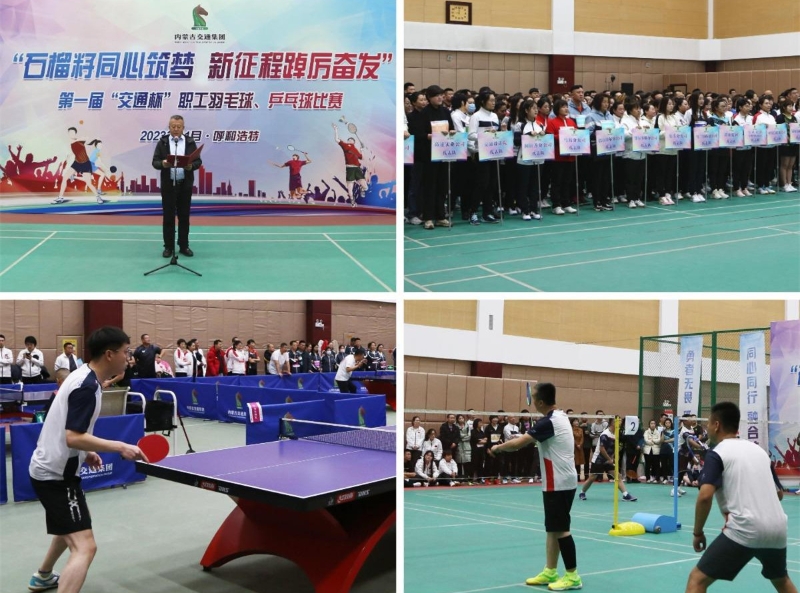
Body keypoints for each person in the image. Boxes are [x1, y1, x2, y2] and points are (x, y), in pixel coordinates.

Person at [27, 327, 147, 593]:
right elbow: (73, 437)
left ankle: (43, 575)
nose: (128, 357)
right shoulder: (86, 386)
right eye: (125, 352)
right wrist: (119, 446)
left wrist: (86, 451)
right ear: (109, 354)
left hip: (52, 467)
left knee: (75, 523)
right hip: (56, 475)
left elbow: (67, 428)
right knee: (85, 546)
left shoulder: (84, 376)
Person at [685, 402, 796, 593]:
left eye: (709, 423)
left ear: (717, 425)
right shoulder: (760, 451)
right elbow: (778, 494)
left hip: (744, 529)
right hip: (777, 529)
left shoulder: (717, 453)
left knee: (697, 580)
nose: (707, 427)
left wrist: (697, 533)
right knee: (781, 581)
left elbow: (705, 496)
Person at [487, 382, 582, 591]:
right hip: (558, 481)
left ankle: (573, 576)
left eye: (534, 398)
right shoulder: (560, 416)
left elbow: (518, 444)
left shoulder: (549, 422)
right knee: (552, 529)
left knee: (562, 530)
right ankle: (550, 571)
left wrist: (497, 448)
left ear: (539, 402)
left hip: (559, 483)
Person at [151, 115, 202, 258]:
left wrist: (191, 166)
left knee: (184, 217)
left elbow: (198, 161)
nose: (176, 129)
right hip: (168, 186)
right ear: (169, 127)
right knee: (168, 217)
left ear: (183, 128)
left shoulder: (190, 142)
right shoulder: (163, 142)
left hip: (184, 185)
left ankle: (184, 245)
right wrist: (163, 164)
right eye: (173, 126)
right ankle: (168, 247)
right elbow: (155, 162)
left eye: (179, 127)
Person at [580, 416, 638, 502]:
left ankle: (625, 495)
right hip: (599, 459)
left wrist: (612, 457)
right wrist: (609, 459)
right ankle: (582, 492)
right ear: (613, 423)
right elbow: (602, 449)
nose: (621, 423)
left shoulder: (616, 433)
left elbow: (614, 447)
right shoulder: (605, 434)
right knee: (592, 478)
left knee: (618, 476)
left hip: (608, 459)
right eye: (619, 421)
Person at [332, 124, 367, 205]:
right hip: (350, 169)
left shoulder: (356, 150)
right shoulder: (345, 145)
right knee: (350, 190)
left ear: (354, 142)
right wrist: (336, 129)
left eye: (351, 139)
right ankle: (352, 199)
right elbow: (336, 139)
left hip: (357, 169)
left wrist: (362, 150)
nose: (349, 140)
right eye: (348, 139)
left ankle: (362, 189)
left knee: (366, 187)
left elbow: (362, 158)